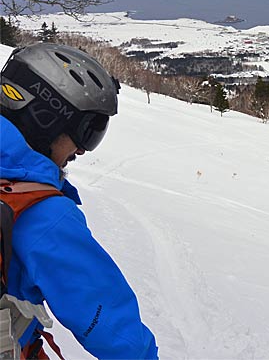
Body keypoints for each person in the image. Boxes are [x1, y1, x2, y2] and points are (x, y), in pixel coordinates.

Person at [0, 43, 158, 358]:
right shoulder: (42, 215)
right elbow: (113, 331)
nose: (83, 150)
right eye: (87, 131)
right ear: (43, 119)